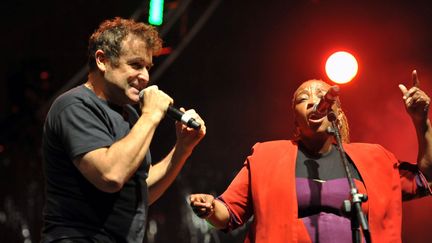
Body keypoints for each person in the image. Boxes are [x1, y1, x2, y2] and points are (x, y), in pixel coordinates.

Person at [190, 71, 432, 243]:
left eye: (320, 95)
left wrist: (422, 122)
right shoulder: (266, 156)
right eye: (302, 99)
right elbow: (228, 213)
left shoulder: (374, 158)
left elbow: (426, 178)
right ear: (295, 118)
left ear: (336, 110)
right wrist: (210, 208)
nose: (312, 101)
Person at [41, 17, 206, 243]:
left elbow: (140, 190)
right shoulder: (74, 106)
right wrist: (151, 115)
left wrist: (182, 149)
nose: (146, 77)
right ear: (102, 60)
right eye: (136, 65)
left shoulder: (130, 116)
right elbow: (110, 175)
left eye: (148, 67)